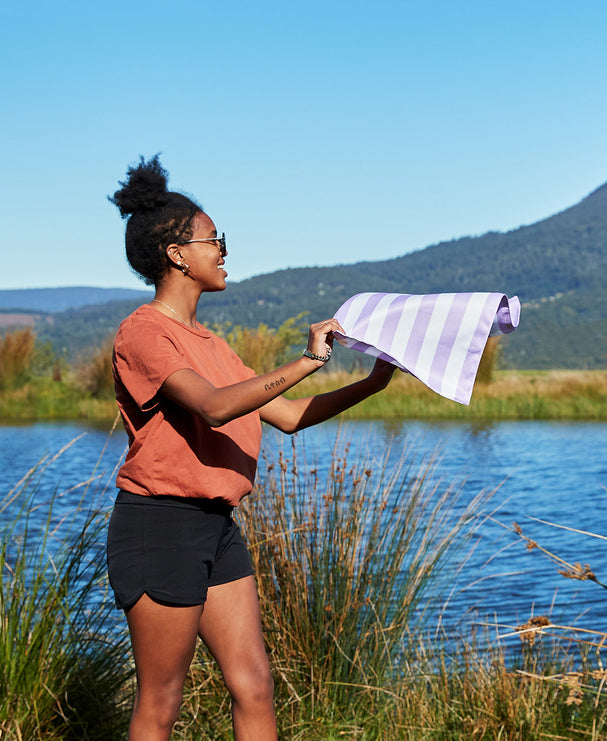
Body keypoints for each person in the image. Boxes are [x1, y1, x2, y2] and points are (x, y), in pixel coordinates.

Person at [106, 155, 396, 741]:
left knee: (254, 683)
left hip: (217, 527)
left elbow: (285, 415)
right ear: (177, 254)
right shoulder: (144, 332)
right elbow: (214, 405)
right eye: (215, 239)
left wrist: (371, 382)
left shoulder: (212, 343)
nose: (224, 250)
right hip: (159, 526)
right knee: (162, 701)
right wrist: (310, 359)